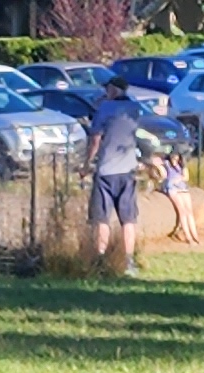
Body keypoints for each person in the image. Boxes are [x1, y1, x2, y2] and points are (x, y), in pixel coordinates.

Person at [83, 74, 150, 276]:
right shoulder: (134, 109)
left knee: (101, 219)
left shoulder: (105, 108)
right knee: (128, 219)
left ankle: (101, 260)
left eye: (108, 89)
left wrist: (87, 163)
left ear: (114, 90)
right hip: (128, 170)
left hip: (106, 171)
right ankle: (128, 261)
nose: (105, 93)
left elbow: (95, 138)